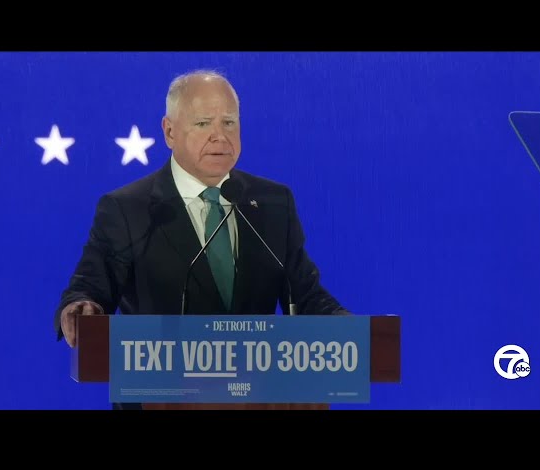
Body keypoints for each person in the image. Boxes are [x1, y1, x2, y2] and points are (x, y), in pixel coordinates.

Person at [53, 69, 351, 409]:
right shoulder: (128, 209)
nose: (220, 136)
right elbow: (90, 287)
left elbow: (306, 295)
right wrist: (81, 308)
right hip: (161, 399)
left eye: (229, 123)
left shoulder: (272, 203)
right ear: (169, 132)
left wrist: (347, 333)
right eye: (203, 123)